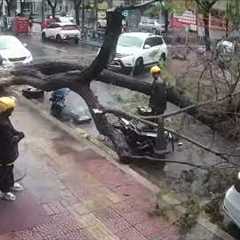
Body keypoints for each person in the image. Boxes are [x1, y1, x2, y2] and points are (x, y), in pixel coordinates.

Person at [0, 97, 25, 201]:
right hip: (4, 155)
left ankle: (10, 184)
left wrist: (16, 133)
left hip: (8, 156)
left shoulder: (4, 118)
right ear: (6, 110)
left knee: (9, 170)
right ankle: (5, 191)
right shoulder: (2, 125)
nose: (12, 112)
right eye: (11, 110)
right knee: (3, 173)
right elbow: (10, 141)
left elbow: (12, 130)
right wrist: (20, 136)